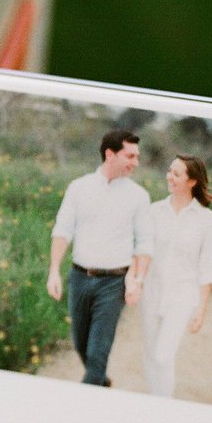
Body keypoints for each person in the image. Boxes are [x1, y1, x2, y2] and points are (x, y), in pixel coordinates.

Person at [47, 128, 153, 386]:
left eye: (136, 157)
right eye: (130, 156)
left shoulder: (138, 196)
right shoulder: (79, 188)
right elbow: (62, 230)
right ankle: (99, 380)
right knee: (81, 345)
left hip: (113, 284)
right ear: (110, 154)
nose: (135, 163)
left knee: (97, 352)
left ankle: (87, 400)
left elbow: (145, 243)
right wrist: (53, 271)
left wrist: (137, 281)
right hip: (79, 278)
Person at [141, 155, 212, 398]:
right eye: (169, 171)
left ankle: (163, 408)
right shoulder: (154, 211)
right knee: (151, 353)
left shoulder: (207, 220)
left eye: (176, 174)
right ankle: (156, 403)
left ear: (192, 181)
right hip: (151, 293)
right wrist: (134, 282)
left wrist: (201, 310)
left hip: (183, 297)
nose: (169, 177)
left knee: (163, 354)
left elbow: (206, 269)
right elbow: (143, 253)